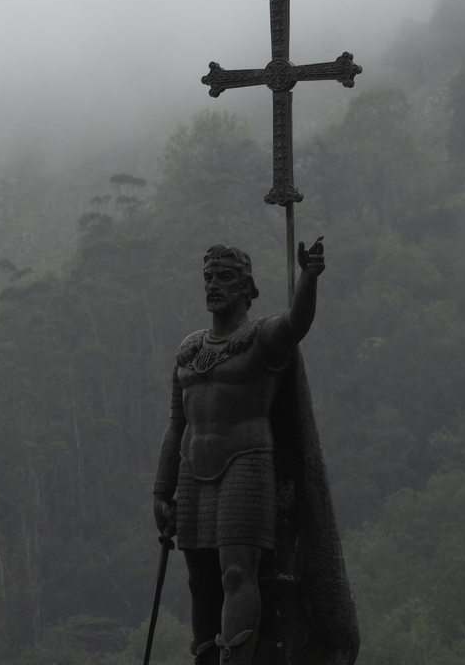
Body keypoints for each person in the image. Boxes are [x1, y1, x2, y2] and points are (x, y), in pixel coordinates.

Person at [153, 238, 326, 665]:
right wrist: (161, 489)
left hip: (246, 465)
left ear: (248, 287)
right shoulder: (189, 350)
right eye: (208, 277)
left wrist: (308, 278)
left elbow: (298, 322)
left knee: (236, 574)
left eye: (225, 277)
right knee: (201, 583)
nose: (214, 285)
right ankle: (205, 660)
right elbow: (177, 425)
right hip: (194, 469)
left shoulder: (261, 337)